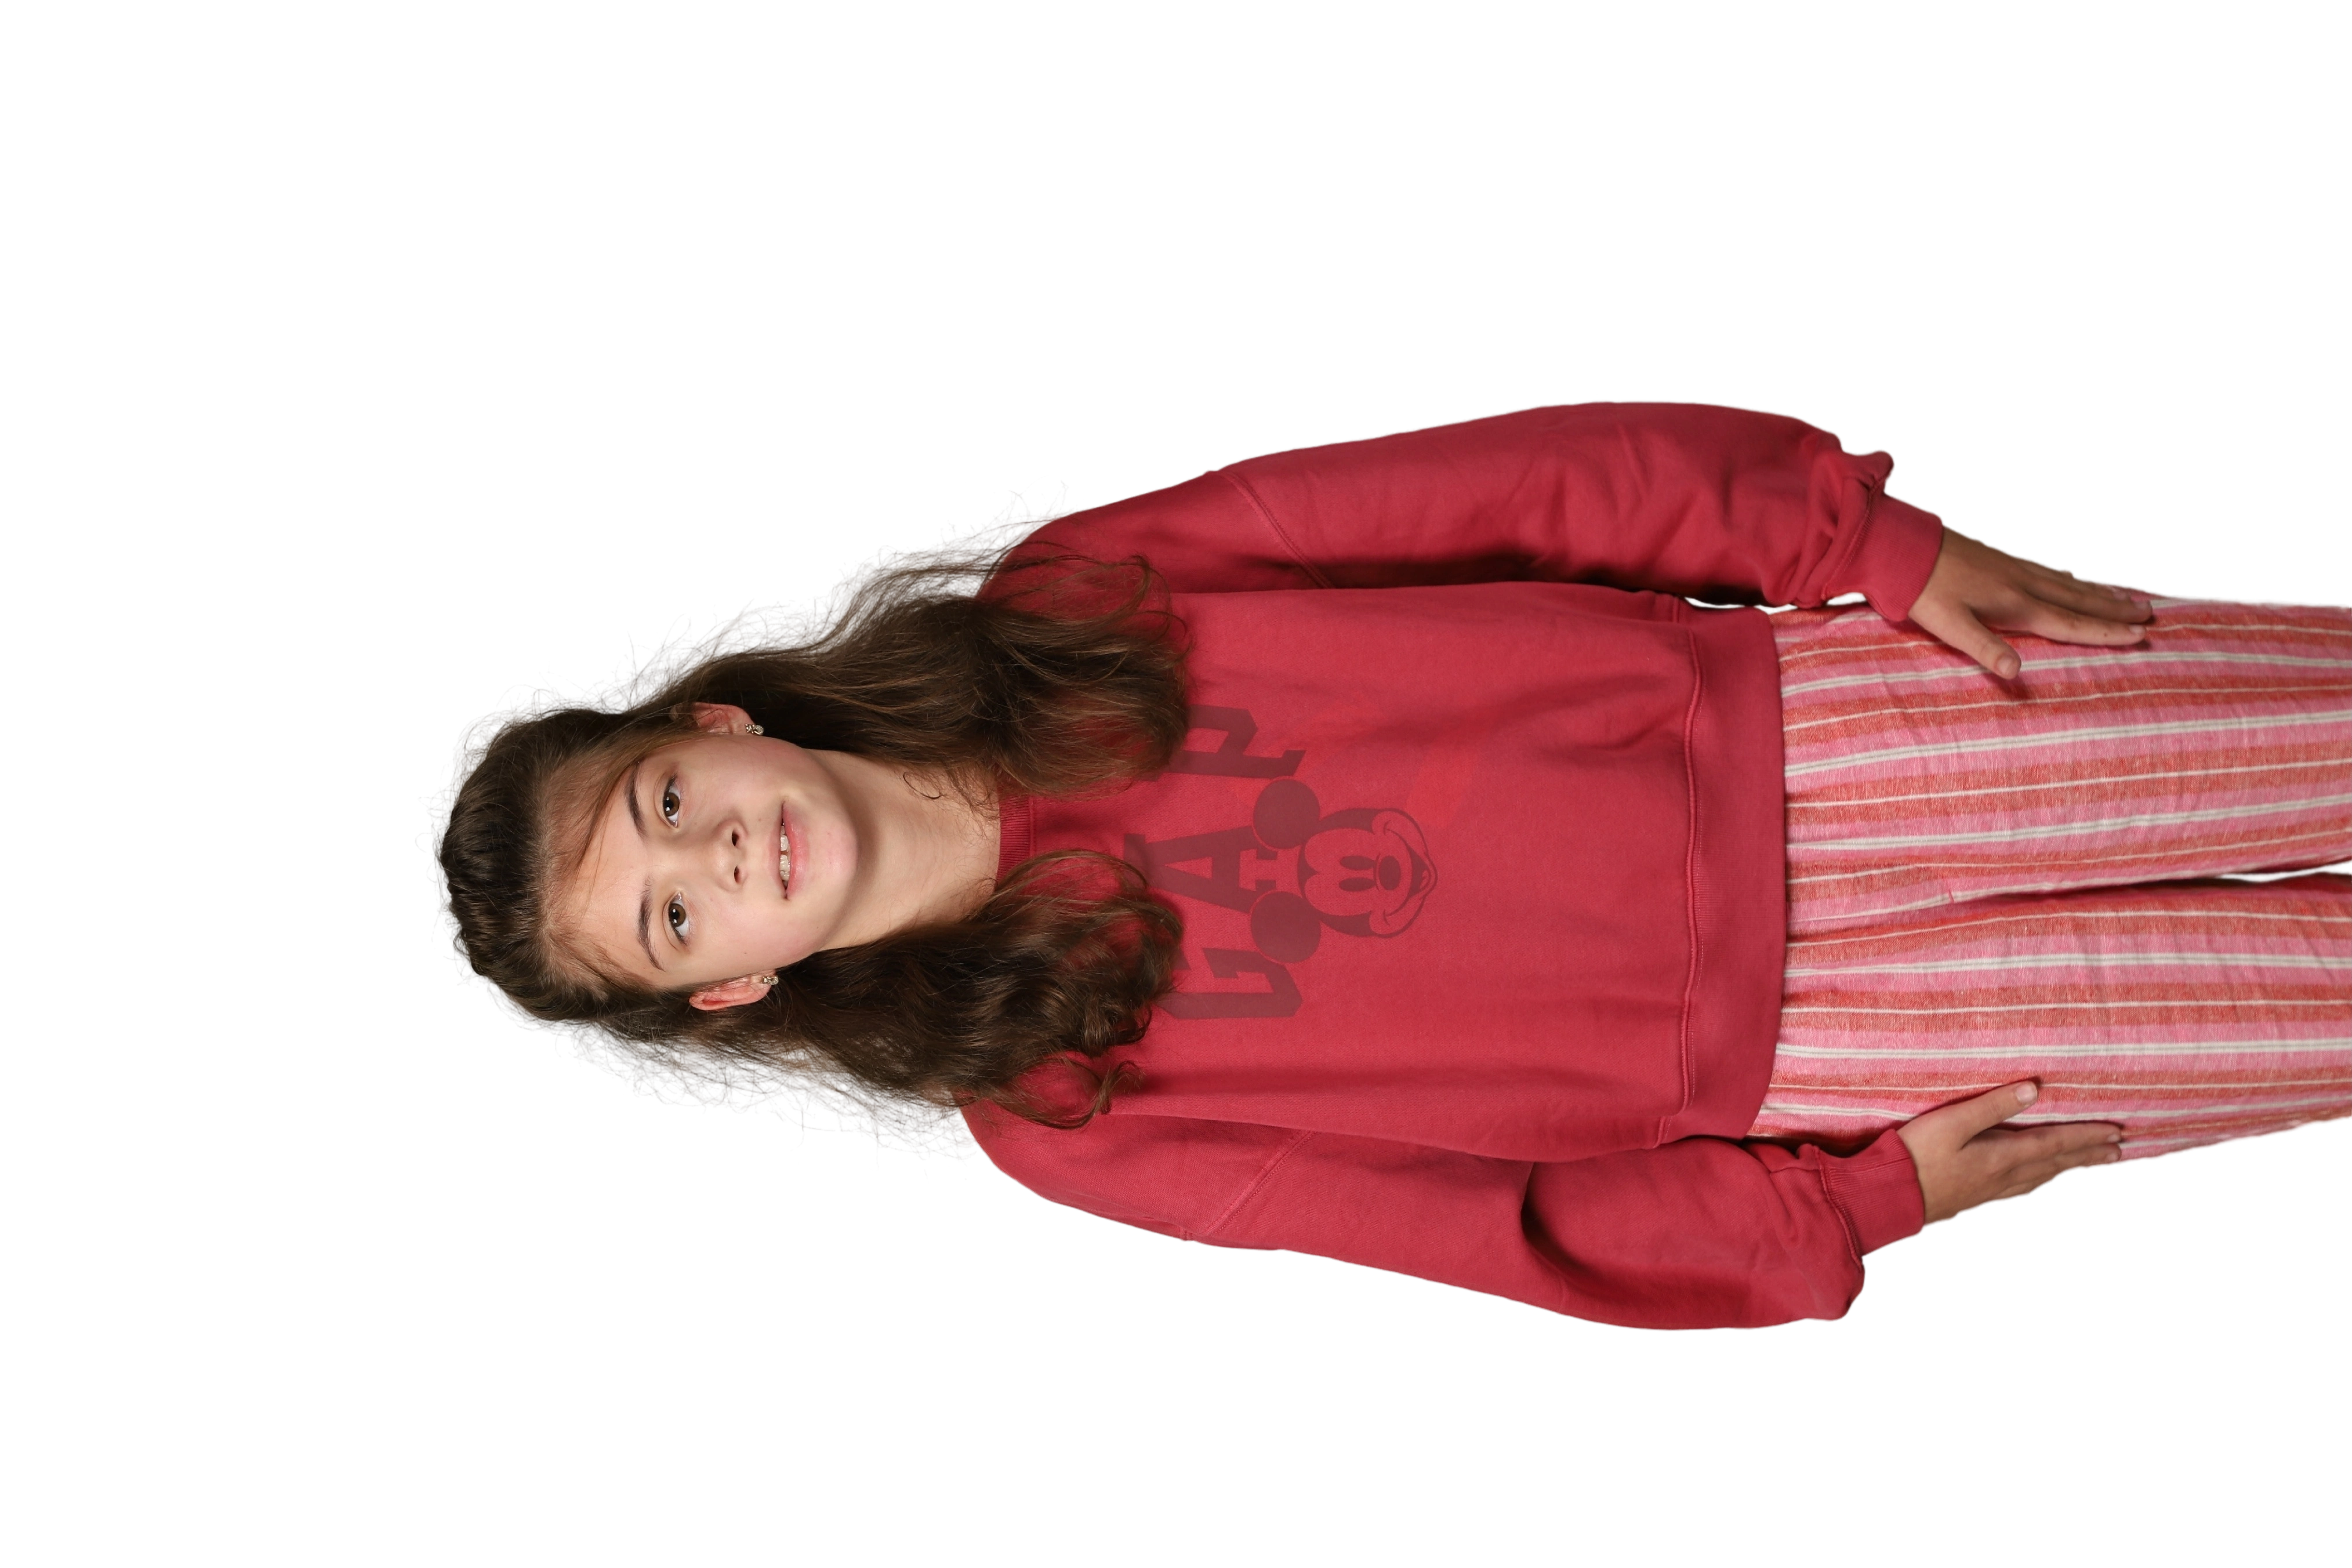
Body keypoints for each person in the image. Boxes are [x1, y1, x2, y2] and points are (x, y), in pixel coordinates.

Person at [415, 397, 2352, 1332]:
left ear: (717, 725)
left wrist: (1853, 539)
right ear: (727, 989)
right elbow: (1481, 1227)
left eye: (663, 801)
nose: (720, 856)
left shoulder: (1068, 599)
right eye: (673, 916)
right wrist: (1835, 1213)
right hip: (1845, 1044)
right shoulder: (1065, 1116)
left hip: (1842, 732)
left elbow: (1501, 489)